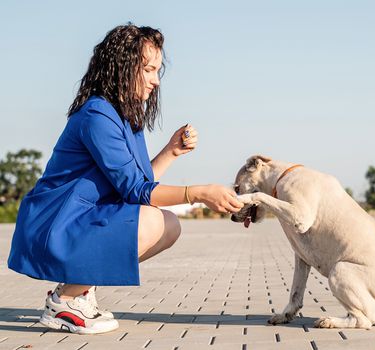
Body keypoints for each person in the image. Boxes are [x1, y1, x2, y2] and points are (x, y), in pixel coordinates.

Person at [7, 24, 243, 334]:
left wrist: (171, 152)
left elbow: (137, 186)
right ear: (123, 65)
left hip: (78, 221)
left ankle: (78, 292)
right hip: (54, 223)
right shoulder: (97, 115)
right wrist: (198, 193)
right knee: (153, 221)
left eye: (158, 71)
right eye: (148, 69)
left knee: (168, 225)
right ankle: (65, 301)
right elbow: (139, 191)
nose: (156, 81)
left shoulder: (124, 117)